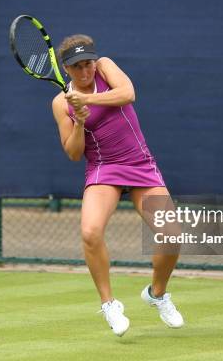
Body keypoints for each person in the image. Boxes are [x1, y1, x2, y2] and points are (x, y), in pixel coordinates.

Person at [51, 34, 184, 336]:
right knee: (90, 232)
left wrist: (87, 99)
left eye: (88, 64)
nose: (85, 72)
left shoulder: (106, 67)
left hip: (140, 164)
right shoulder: (61, 103)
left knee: (171, 234)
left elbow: (127, 93)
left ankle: (157, 294)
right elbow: (73, 153)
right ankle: (109, 304)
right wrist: (81, 121)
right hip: (103, 168)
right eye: (78, 67)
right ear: (66, 69)